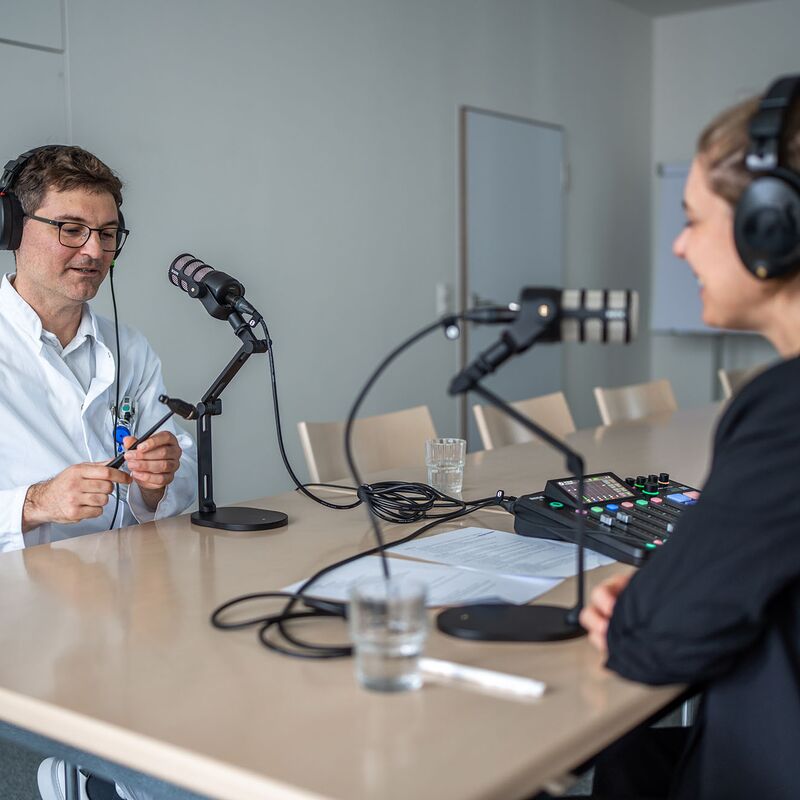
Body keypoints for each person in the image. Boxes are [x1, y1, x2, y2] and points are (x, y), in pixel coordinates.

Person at [579, 76, 800, 799]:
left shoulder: (788, 412)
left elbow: (654, 643)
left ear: (772, 227)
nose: (677, 247)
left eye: (693, 219)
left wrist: (651, 600)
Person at [0, 145, 197, 799]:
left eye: (108, 233)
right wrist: (33, 502)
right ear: (12, 229)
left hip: (123, 594)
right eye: (70, 229)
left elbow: (177, 469)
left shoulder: (127, 347)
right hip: (20, 604)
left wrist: (158, 477)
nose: (93, 250)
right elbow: (34, 507)